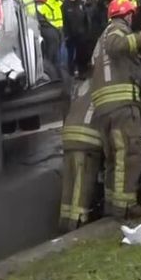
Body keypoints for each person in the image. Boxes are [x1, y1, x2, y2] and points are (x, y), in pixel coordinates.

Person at [90, 0, 141, 219]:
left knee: (114, 159)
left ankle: (113, 205)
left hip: (104, 108)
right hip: (121, 107)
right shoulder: (116, 30)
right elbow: (117, 45)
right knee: (129, 154)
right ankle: (127, 207)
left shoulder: (100, 39)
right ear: (128, 16)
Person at [59, 80, 102, 232]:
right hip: (86, 140)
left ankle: (64, 222)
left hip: (69, 137)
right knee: (81, 185)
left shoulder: (83, 85)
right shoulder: (104, 84)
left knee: (68, 183)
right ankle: (77, 224)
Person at [81, 0, 109, 77]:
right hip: (96, 33)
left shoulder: (86, 3)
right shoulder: (96, 6)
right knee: (96, 54)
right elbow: (100, 19)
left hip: (89, 34)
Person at [62, 0, 87, 77]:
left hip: (81, 34)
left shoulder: (81, 3)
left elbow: (86, 18)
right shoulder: (64, 5)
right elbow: (63, 21)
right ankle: (71, 73)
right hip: (70, 35)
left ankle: (81, 72)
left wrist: (86, 31)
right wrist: (66, 34)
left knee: (81, 54)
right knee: (71, 55)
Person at [38, 0, 65, 68]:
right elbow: (40, 19)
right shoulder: (45, 7)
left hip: (59, 31)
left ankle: (56, 68)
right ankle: (50, 68)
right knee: (51, 52)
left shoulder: (59, 5)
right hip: (51, 32)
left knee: (58, 51)